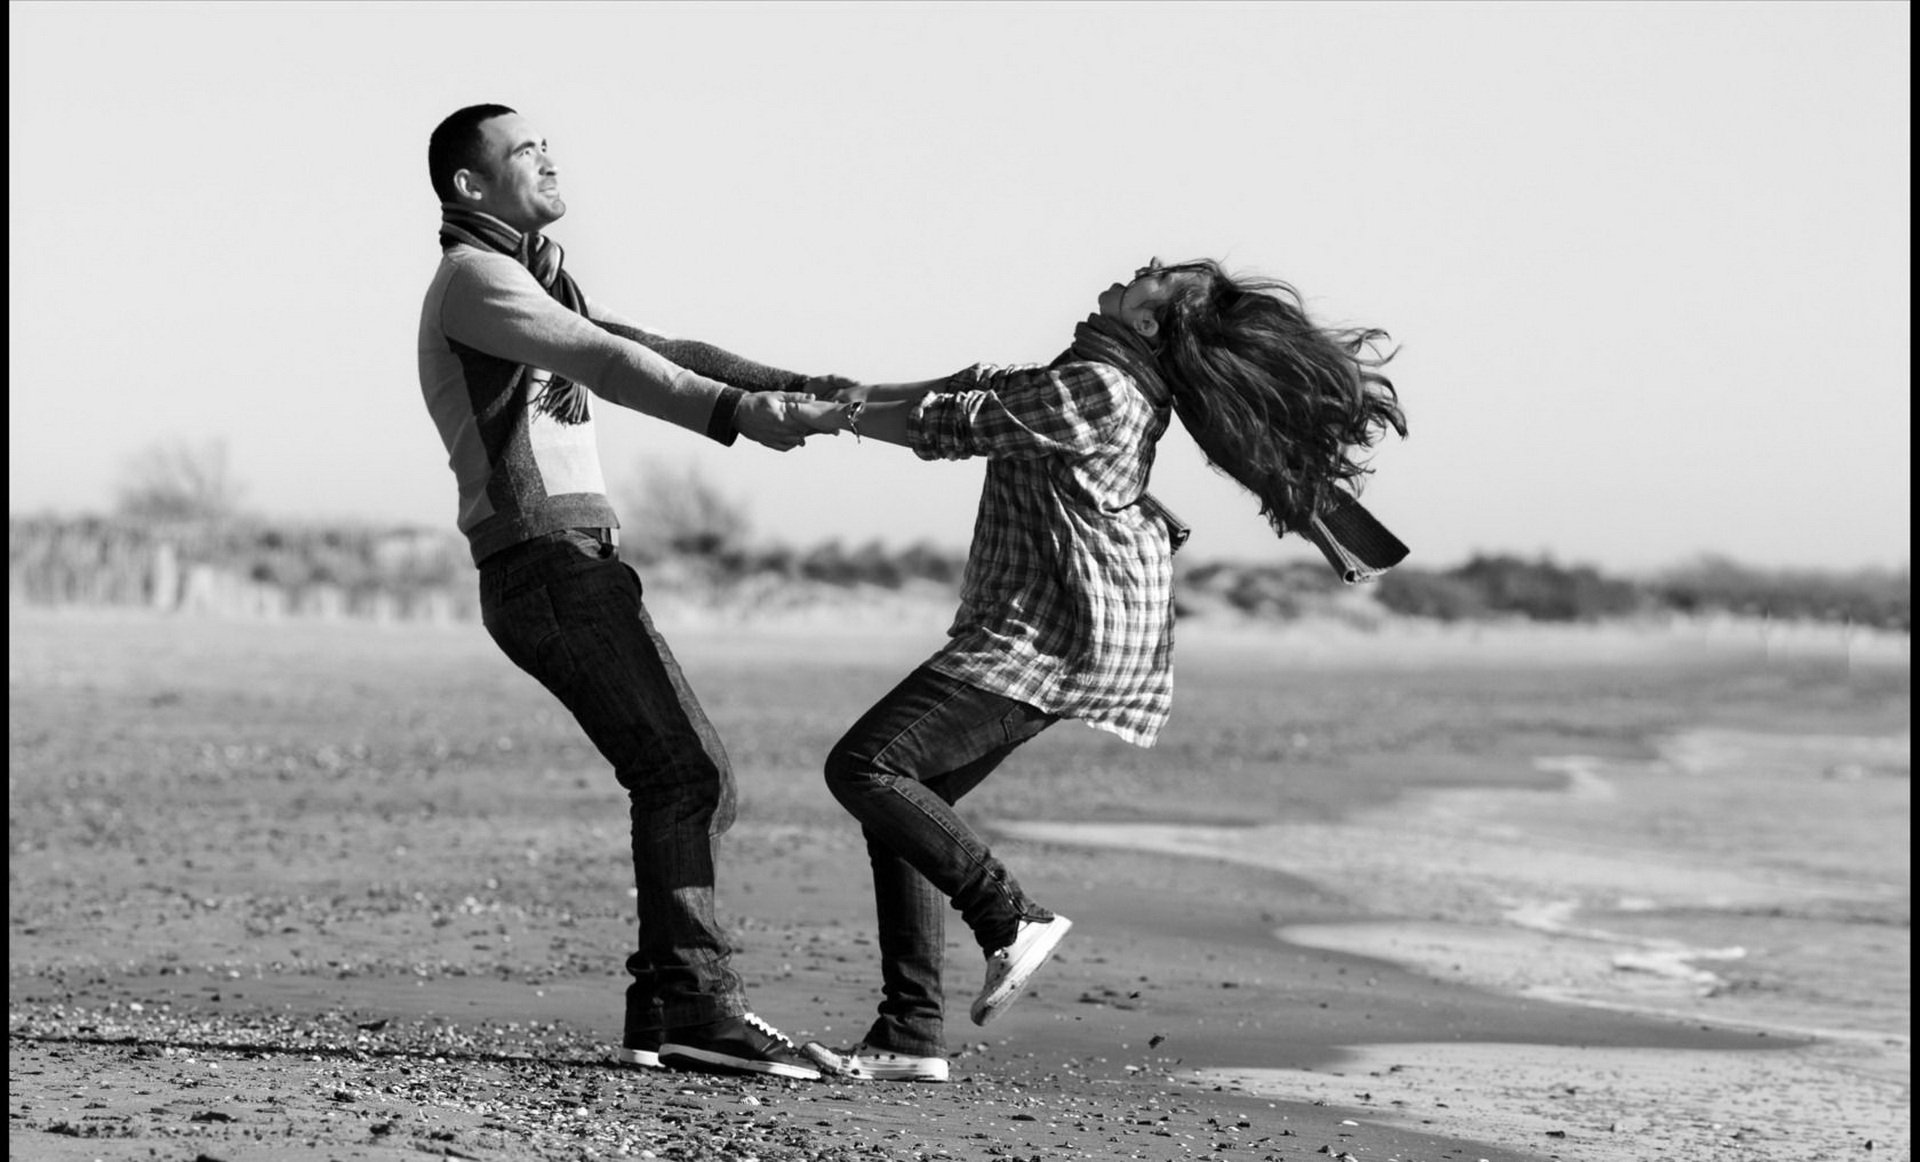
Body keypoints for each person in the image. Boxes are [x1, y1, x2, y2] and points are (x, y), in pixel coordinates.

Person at [795, 258, 1408, 1083]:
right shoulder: (1101, 379)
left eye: (1162, 279)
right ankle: (909, 1035)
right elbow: (981, 388)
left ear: (1154, 324)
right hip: (1048, 632)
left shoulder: (1099, 389)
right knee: (909, 808)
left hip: (1044, 639)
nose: (1144, 267)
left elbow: (956, 425)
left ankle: (1008, 916)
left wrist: (836, 415)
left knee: (866, 766)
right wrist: (841, 397)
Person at [417, 103, 845, 1081]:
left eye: (544, 143)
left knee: (695, 778)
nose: (546, 155)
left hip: (572, 564)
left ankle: (665, 1007)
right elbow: (608, 365)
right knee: (684, 775)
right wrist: (738, 413)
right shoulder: (476, 281)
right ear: (469, 187)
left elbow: (657, 345)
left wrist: (816, 388)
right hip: (545, 563)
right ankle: (696, 1005)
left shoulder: (530, 281)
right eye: (522, 150)